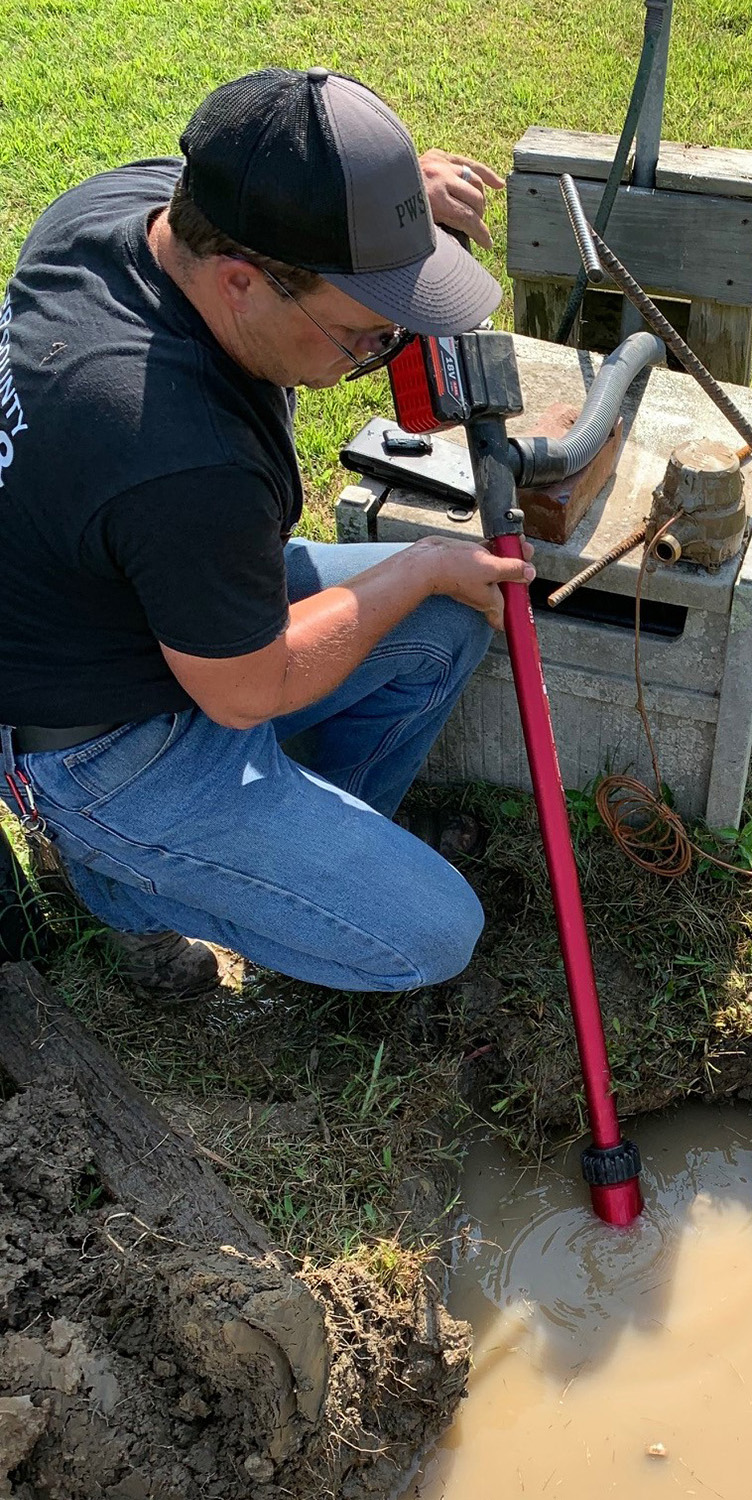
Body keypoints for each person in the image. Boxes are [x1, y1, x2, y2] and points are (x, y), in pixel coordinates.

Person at [0, 66, 533, 996]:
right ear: (244, 282)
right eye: (366, 333)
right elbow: (252, 688)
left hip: (136, 606)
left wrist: (392, 216)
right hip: (100, 737)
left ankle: (291, 859)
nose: (382, 351)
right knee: (434, 934)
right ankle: (119, 888)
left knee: (446, 624)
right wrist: (414, 568)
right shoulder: (180, 451)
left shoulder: (135, 209)